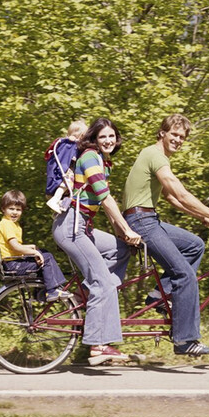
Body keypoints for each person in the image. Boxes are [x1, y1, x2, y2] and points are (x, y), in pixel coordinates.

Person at [122, 113, 209, 356]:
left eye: (182, 137)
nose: (178, 140)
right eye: (174, 134)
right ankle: (185, 340)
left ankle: (158, 295)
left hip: (148, 218)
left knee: (194, 245)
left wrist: (202, 217)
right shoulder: (154, 155)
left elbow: (169, 197)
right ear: (162, 133)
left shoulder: (157, 156)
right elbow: (180, 192)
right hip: (141, 220)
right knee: (185, 275)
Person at [52, 118, 143, 366]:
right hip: (71, 227)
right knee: (104, 282)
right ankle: (99, 345)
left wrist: (124, 235)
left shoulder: (103, 162)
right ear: (94, 138)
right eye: (103, 136)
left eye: (112, 136)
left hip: (83, 227)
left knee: (121, 249)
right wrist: (127, 228)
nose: (108, 140)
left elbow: (106, 207)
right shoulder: (90, 157)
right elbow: (105, 199)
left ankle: (94, 298)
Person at [0, 190, 73, 302]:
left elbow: (13, 246)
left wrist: (31, 247)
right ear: (3, 209)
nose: (15, 212)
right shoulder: (7, 224)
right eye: (11, 209)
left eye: (18, 210)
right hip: (13, 265)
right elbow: (15, 247)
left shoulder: (12, 224)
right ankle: (52, 291)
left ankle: (41, 292)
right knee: (46, 258)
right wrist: (34, 252)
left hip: (13, 262)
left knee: (44, 252)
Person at [45, 119, 88, 214]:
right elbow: (70, 157)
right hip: (65, 172)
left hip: (65, 172)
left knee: (71, 187)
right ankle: (55, 199)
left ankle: (59, 204)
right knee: (68, 181)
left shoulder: (65, 143)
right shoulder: (69, 144)